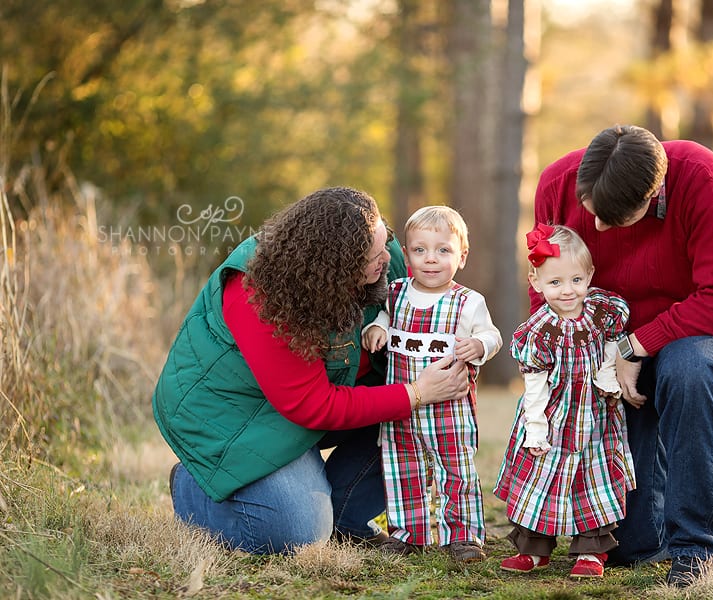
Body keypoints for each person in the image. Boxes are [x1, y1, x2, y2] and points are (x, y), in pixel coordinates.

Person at [152, 187, 470, 555]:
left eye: (385, 242)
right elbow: (311, 404)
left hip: (311, 401)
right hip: (232, 416)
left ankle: (348, 520)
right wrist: (414, 393)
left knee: (418, 416)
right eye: (374, 255)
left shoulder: (384, 255)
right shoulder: (260, 294)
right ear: (336, 267)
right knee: (296, 532)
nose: (388, 258)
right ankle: (193, 486)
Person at [531, 124, 713, 587]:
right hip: (608, 340)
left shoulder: (700, 176)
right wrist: (560, 365)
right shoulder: (556, 183)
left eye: (611, 220)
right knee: (632, 545)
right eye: (591, 212)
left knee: (689, 374)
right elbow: (546, 293)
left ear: (654, 195)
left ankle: (697, 549)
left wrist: (637, 345)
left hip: (703, 327)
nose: (595, 229)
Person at [362, 205, 502, 562]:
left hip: (449, 412)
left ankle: (463, 536)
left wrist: (480, 345)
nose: (431, 259)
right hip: (402, 409)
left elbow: (493, 335)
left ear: (462, 256)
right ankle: (409, 533)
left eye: (443, 250)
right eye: (420, 250)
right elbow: (380, 317)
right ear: (406, 254)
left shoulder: (468, 302)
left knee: (456, 473)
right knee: (401, 469)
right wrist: (376, 328)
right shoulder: (395, 293)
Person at [494, 224, 635, 579]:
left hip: (596, 418)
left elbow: (612, 342)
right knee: (542, 481)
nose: (567, 291)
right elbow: (535, 383)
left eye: (575, 280)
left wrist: (606, 377)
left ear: (588, 275)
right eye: (555, 283)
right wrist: (536, 427)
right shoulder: (539, 329)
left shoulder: (602, 311)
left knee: (593, 479)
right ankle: (534, 548)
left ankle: (591, 552)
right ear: (537, 282)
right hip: (553, 417)